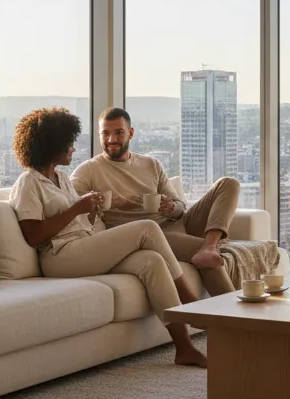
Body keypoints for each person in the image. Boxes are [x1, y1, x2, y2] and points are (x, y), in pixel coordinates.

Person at [8, 107, 206, 368]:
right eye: (68, 143)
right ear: (51, 145)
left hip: (83, 246)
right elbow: (33, 235)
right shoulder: (29, 183)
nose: (73, 149)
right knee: (146, 228)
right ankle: (189, 299)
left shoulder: (62, 179)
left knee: (151, 261)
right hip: (59, 256)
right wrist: (78, 208)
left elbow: (79, 222)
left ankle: (184, 348)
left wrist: (91, 211)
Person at [72, 107, 237, 298]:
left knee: (228, 184)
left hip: (175, 223)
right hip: (150, 236)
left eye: (119, 133)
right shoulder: (87, 171)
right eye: (105, 134)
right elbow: (70, 203)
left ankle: (210, 246)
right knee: (201, 253)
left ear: (131, 133)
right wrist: (116, 202)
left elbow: (180, 206)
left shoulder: (151, 164)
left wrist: (172, 208)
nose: (111, 140)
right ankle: (236, 322)